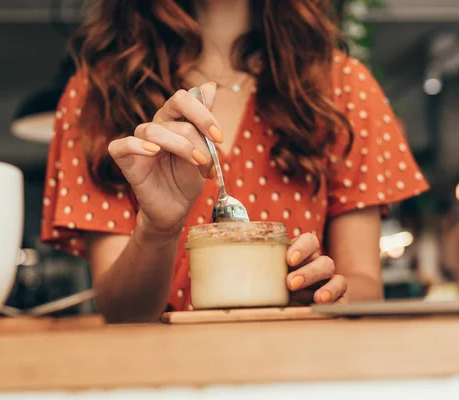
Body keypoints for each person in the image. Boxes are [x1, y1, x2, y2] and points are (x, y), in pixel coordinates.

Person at [41, 0, 429, 322]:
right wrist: (158, 228)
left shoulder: (343, 85)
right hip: (160, 377)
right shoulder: (96, 93)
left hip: (298, 372)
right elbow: (122, 313)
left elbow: (363, 283)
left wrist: (321, 291)